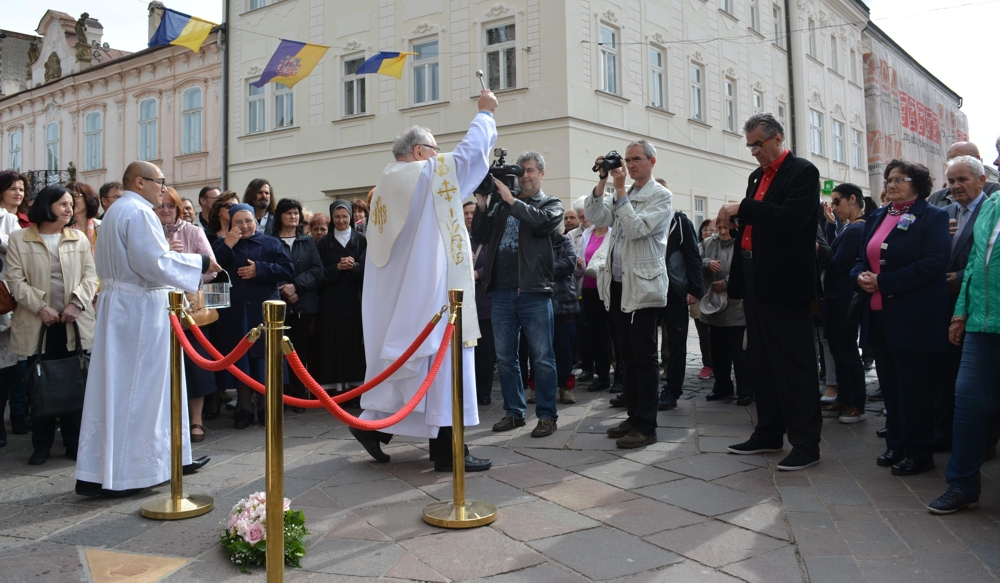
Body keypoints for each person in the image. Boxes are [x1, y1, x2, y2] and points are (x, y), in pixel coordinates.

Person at [350, 91, 497, 472]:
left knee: (417, 372)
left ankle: (376, 429)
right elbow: (469, 158)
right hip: (430, 299)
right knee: (441, 370)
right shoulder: (424, 174)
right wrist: (484, 114)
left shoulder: (388, 181)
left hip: (404, 297)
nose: (440, 155)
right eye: (435, 148)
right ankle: (449, 453)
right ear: (419, 152)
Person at [75, 161, 220, 497]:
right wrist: (198, 261)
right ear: (139, 182)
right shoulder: (138, 212)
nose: (163, 188)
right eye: (160, 182)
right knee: (140, 390)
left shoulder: (115, 211)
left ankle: (153, 461)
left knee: (127, 387)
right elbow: (153, 263)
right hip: (139, 309)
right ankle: (129, 473)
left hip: (122, 305)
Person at [716, 113, 823, 471]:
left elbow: (790, 219)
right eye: (749, 146)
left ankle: (806, 442)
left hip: (785, 283)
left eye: (757, 144)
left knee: (795, 364)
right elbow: (758, 221)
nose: (753, 152)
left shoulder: (802, 172)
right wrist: (738, 219)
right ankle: (768, 432)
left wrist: (743, 208)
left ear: (777, 137)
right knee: (761, 362)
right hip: (755, 278)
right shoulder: (756, 176)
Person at [851, 159, 949, 476]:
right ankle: (896, 444)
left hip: (913, 317)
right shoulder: (878, 216)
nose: (891, 184)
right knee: (890, 386)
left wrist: (884, 282)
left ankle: (919, 452)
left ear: (917, 184)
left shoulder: (931, 217)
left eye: (900, 179)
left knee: (915, 388)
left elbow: (933, 264)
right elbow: (860, 259)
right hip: (879, 315)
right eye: (889, 179)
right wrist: (859, 278)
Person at [586, 139, 672, 449]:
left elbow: (636, 229)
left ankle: (646, 425)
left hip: (643, 286)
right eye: (627, 159)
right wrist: (603, 179)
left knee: (644, 357)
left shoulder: (660, 196)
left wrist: (620, 191)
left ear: (652, 161)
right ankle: (634, 416)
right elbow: (596, 216)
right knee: (627, 356)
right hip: (619, 284)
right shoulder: (627, 191)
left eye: (637, 159)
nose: (631, 164)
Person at [473, 150, 564, 439]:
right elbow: (479, 235)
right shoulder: (501, 207)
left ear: (541, 174)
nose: (525, 176)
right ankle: (514, 412)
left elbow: (544, 223)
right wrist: (483, 202)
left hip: (533, 291)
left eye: (530, 171)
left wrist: (512, 201)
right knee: (505, 357)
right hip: (500, 292)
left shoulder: (550, 203)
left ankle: (547, 416)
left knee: (542, 357)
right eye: (521, 171)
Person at [6, 185, 97, 462]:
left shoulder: (79, 239)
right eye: (63, 204)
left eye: (71, 204)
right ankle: (41, 445)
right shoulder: (19, 239)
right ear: (47, 206)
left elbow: (91, 277)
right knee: (40, 386)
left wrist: (76, 303)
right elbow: (15, 280)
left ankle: (73, 443)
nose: (69, 209)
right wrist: (41, 306)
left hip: (73, 322)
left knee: (74, 382)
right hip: (38, 323)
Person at [928, 176, 1000, 514]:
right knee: (968, 405)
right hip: (980, 327)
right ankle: (962, 485)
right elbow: (973, 267)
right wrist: (960, 315)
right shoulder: (991, 206)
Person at [212, 204, 293, 429]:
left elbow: (287, 269)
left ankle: (268, 407)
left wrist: (260, 270)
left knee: (266, 360)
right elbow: (211, 271)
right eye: (238, 222)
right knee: (241, 361)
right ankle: (244, 408)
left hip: (263, 312)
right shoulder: (222, 244)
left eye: (248, 221)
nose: (244, 226)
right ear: (230, 224)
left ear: (255, 222)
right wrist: (228, 244)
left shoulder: (271, 242)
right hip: (235, 314)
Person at [930, 156, 990, 454]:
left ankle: (983, 441)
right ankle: (944, 432)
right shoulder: (945, 213)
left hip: (978, 308)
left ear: (981, 181)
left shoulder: (992, 212)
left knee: (976, 381)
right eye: (951, 181)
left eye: (962, 179)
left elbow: (991, 261)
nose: (955, 187)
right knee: (944, 371)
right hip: (943, 304)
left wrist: (961, 276)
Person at [156, 187, 217, 443]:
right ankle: (167, 420)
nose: (166, 210)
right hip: (158, 309)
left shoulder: (193, 231)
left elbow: (212, 269)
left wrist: (184, 262)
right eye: (161, 205)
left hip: (191, 310)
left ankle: (196, 420)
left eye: (171, 205)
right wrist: (165, 253)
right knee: (163, 367)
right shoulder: (150, 232)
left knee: (195, 366)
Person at [819, 184, 869, 423]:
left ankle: (856, 404)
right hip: (835, 298)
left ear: (853, 199)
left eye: (837, 202)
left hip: (844, 299)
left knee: (847, 352)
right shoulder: (848, 228)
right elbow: (834, 254)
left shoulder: (858, 229)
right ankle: (844, 398)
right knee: (838, 351)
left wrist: (818, 248)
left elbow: (836, 263)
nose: (834, 207)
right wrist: (829, 227)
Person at [273, 198, 324, 410]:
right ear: (280, 216)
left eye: (296, 213)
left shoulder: (307, 241)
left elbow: (317, 271)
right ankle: (280, 395)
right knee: (277, 352)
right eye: (289, 213)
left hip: (304, 305)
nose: (293, 217)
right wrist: (284, 289)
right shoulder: (270, 240)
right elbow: (268, 268)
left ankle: (298, 394)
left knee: (299, 351)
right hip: (278, 306)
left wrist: (295, 286)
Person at [315, 200, 367, 391]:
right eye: (336, 216)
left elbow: (371, 269)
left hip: (356, 299)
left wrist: (355, 267)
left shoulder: (362, 240)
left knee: (355, 344)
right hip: (332, 301)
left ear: (351, 217)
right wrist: (335, 268)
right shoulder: (323, 243)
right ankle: (335, 389)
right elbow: (317, 272)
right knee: (332, 344)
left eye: (344, 216)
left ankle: (356, 389)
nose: (341, 220)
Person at [700, 226, 752, 404]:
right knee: (718, 350)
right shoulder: (709, 243)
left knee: (740, 354)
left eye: (726, 227)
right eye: (719, 227)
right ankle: (722, 386)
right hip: (715, 306)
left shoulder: (743, 242)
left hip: (737, 306)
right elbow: (694, 260)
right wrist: (706, 264)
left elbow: (748, 268)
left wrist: (727, 283)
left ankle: (746, 390)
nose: (722, 232)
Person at [658, 206, 704, 410]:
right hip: (647, 291)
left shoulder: (678, 221)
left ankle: (672, 390)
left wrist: (695, 289)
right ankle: (641, 388)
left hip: (674, 292)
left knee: (676, 343)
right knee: (644, 342)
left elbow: (692, 255)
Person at [0, 171, 27, 442]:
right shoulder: (7, 220)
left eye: (21, 189)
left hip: (12, 296)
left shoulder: (16, 221)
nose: (18, 193)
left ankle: (18, 417)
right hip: (5, 295)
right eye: (12, 189)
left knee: (13, 363)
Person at [471, 203, 495, 406]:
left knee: (485, 352)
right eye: (466, 214)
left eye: (473, 213)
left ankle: (483, 391)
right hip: (462, 305)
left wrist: (478, 272)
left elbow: (496, 263)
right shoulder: (454, 238)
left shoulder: (489, 240)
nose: (470, 216)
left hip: (485, 304)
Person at [552, 224, 579, 405]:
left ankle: (565, 388)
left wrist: (542, 265)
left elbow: (569, 264)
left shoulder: (565, 242)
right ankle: (536, 387)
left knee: (565, 350)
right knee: (538, 350)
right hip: (539, 302)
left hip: (564, 303)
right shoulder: (531, 240)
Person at [927, 142, 999, 208]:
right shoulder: (936, 198)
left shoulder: (996, 192)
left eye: (958, 159)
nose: (952, 164)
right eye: (949, 161)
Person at [692, 219, 716, 380]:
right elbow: (693, 263)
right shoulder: (697, 247)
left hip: (717, 295)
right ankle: (707, 364)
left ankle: (720, 364)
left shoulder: (719, 246)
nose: (708, 233)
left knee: (717, 333)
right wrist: (707, 264)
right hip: (700, 295)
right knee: (703, 333)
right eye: (705, 230)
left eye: (712, 230)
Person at [67, 183, 101, 256]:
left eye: (75, 196)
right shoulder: (62, 229)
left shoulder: (101, 227)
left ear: (88, 198)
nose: (71, 201)